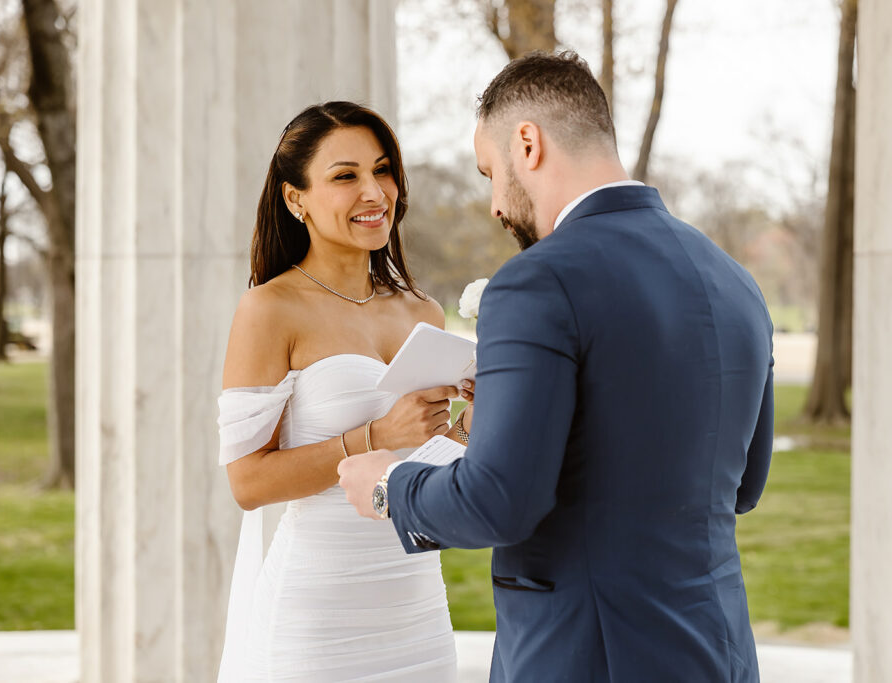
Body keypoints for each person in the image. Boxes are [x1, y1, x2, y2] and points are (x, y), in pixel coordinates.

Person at [339, 52, 774, 682]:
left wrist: (389, 486)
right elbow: (743, 485)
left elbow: (498, 504)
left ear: (527, 142)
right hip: (718, 651)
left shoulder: (536, 282)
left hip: (584, 656)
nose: (494, 204)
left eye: (490, 173)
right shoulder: (734, 281)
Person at [216, 101, 463, 682]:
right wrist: (376, 435)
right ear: (294, 197)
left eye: (382, 170)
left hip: (417, 607)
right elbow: (248, 483)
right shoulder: (269, 310)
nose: (374, 192)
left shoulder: (422, 310)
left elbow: (428, 460)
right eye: (345, 176)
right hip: (318, 616)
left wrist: (468, 427)